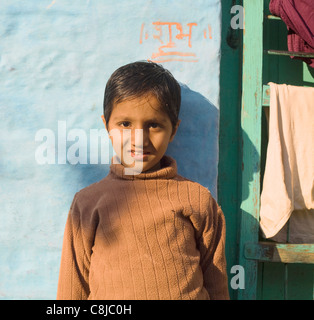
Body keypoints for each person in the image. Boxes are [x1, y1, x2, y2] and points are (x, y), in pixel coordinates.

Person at [57, 61, 229, 300]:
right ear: (107, 126)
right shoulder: (87, 203)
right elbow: (71, 289)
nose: (139, 139)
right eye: (125, 124)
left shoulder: (196, 199)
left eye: (154, 125)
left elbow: (217, 284)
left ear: (173, 130)